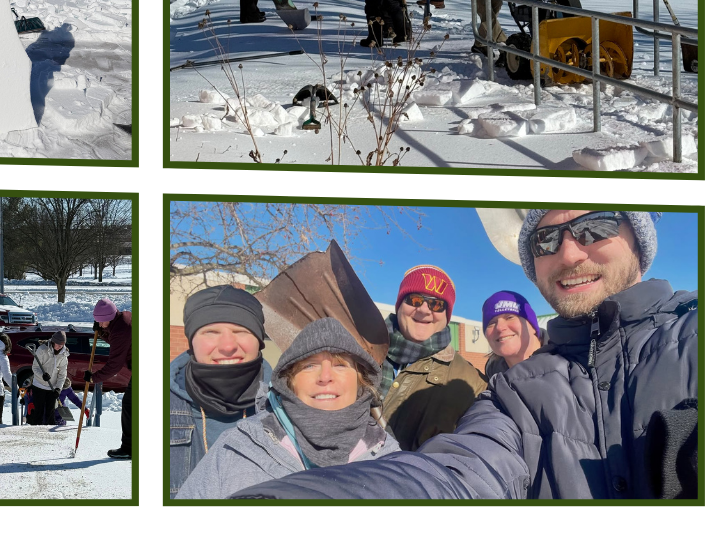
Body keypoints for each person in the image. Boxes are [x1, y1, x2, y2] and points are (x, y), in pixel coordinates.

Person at [228, 210, 699, 500]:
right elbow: (459, 471)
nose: (571, 253)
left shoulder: (469, 381)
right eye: (546, 239)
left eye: (596, 226)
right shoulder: (512, 396)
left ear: (638, 237)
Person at [176, 317, 400, 499]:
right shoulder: (238, 446)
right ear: (289, 381)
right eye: (309, 365)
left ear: (361, 381)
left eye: (340, 365)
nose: (325, 376)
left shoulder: (391, 461)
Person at [168, 284, 273, 498]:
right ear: (192, 342)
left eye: (241, 331)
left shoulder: (287, 408)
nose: (227, 346)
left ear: (260, 341)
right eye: (211, 332)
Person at [379, 264, 487, 450]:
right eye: (414, 300)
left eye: (436, 304)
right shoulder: (358, 351)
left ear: (447, 315)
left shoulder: (472, 383)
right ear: (399, 305)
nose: (424, 310)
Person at [84, 298, 132, 459]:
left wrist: (93, 378)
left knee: (130, 405)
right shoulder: (123, 318)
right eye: (97, 321)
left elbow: (114, 365)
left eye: (101, 322)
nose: (100, 324)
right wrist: (103, 332)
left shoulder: (121, 329)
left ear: (109, 317)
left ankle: (128, 448)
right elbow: (117, 341)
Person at [481, 290, 543, 379]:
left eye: (510, 317)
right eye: (492, 323)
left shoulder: (565, 360)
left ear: (532, 325)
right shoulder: (491, 380)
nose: (499, 327)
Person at [31, 330, 69, 426]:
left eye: (62, 345)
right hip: (39, 385)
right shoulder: (42, 350)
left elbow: (62, 374)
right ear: (53, 341)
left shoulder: (64, 355)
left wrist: (58, 388)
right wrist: (42, 375)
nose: (59, 347)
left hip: (52, 387)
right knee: (38, 412)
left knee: (50, 413)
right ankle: (35, 431)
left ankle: (49, 435)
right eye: (58, 344)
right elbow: (35, 367)